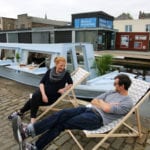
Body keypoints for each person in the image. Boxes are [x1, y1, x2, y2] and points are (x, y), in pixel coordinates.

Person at [11, 74, 133, 150]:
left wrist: (104, 104)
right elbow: (94, 100)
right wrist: (105, 104)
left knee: (62, 124)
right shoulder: (112, 92)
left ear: (122, 86)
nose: (113, 85)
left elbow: (106, 109)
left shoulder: (127, 102)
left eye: (115, 83)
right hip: (88, 109)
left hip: (97, 120)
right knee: (61, 114)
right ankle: (28, 132)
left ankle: (34, 144)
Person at [9, 56, 73, 123]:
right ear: (56, 64)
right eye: (61, 65)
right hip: (43, 93)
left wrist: (64, 89)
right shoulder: (50, 71)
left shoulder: (66, 74)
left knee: (33, 99)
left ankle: (21, 112)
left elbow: (71, 84)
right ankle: (32, 120)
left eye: (64, 66)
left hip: (52, 97)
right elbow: (42, 83)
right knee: (36, 96)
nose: (63, 67)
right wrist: (44, 95)